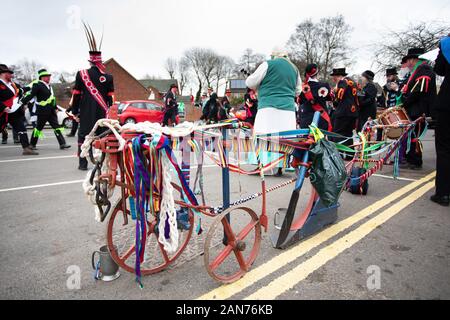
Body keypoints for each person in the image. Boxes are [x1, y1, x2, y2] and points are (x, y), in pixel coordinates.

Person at [246, 49, 301, 176]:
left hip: (268, 107)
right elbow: (298, 91)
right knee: (284, 138)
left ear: (274, 55)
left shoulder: (267, 64)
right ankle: (281, 165)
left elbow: (250, 82)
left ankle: (262, 165)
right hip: (287, 109)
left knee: (263, 135)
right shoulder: (294, 69)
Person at [71, 25, 115, 170]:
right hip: (101, 112)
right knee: (101, 136)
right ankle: (101, 163)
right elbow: (110, 98)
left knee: (83, 136)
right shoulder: (108, 77)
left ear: (90, 61)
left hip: (85, 111)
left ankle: (82, 163)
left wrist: (75, 112)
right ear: (100, 61)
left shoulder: (81, 74)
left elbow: (76, 94)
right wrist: (109, 110)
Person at [399, 48, 437, 170]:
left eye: (408, 60)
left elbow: (418, 91)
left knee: (415, 135)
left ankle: (415, 160)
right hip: (415, 108)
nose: (407, 64)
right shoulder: (418, 71)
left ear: (412, 60)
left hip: (418, 109)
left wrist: (405, 101)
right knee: (412, 135)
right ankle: (411, 159)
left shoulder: (424, 70)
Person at [20, 69, 71, 150]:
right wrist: (22, 102)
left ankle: (62, 143)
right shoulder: (37, 85)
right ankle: (32, 144)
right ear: (42, 77)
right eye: (47, 77)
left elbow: (52, 98)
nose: (49, 78)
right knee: (38, 128)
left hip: (51, 110)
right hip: (42, 111)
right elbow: (31, 95)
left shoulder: (49, 86)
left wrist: (55, 108)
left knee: (56, 126)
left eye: (49, 76)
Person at [0, 64, 37, 155]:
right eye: (8, 73)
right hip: (2, 111)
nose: (11, 75)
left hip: (14, 111)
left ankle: (26, 148)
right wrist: (3, 107)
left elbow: (20, 91)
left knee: (21, 128)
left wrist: (30, 86)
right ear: (2, 74)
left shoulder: (13, 84)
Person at [431, 36, 450, 207]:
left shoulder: (447, 43)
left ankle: (443, 193)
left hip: (448, 102)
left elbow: (440, 69)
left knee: (444, 149)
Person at [330, 67, 359, 157]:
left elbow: (340, 94)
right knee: (348, 134)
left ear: (338, 76)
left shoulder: (342, 82)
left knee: (338, 133)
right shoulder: (352, 82)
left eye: (334, 77)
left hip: (343, 113)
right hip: (352, 113)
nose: (333, 79)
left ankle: (339, 154)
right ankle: (350, 154)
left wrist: (335, 102)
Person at [298, 63, 333, 131]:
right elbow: (331, 98)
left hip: (306, 122)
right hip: (321, 120)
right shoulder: (325, 86)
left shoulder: (302, 88)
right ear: (317, 73)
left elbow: (299, 101)